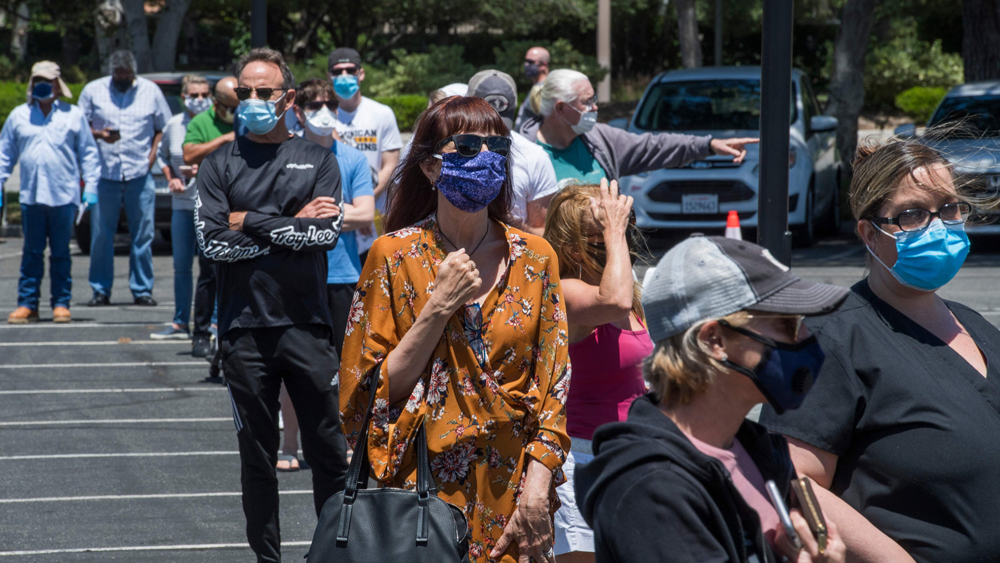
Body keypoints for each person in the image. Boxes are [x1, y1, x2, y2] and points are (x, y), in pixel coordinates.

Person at [339, 96, 570, 563]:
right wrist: (439, 306)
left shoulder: (536, 258)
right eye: (467, 147)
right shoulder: (393, 256)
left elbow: (555, 383)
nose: (485, 159)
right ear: (429, 166)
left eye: (497, 147)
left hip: (515, 493)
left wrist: (538, 488)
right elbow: (366, 395)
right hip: (421, 496)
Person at [758, 136, 1000, 562]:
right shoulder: (829, 336)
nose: (938, 225)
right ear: (869, 234)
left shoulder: (976, 327)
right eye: (912, 215)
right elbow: (792, 477)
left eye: (948, 208)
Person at [575, 234, 848, 563]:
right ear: (714, 340)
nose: (804, 338)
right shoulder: (652, 491)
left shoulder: (757, 449)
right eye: (784, 323)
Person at [195, 48, 348, 563]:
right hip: (243, 331)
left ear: (286, 98)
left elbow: (324, 233)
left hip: (308, 325)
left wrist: (247, 219)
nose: (253, 100)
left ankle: (329, 555)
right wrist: (286, 224)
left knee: (329, 455)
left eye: (264, 92)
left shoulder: (320, 160)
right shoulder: (218, 163)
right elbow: (213, 244)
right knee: (257, 459)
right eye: (244, 92)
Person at [541, 180, 650, 562]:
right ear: (572, 246)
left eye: (622, 221)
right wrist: (615, 232)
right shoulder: (569, 292)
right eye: (602, 229)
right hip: (583, 463)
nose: (619, 231)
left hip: (633, 457)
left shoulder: (628, 289)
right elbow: (614, 300)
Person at [274, 78, 375, 472]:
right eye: (313, 103)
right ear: (297, 109)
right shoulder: (285, 155)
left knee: (345, 366)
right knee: (292, 367)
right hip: (294, 274)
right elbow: (273, 216)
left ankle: (347, 443)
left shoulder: (350, 158)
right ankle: (289, 444)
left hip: (343, 276)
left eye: (328, 104)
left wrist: (312, 217)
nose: (321, 110)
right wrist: (325, 217)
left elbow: (366, 213)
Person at [521, 69, 758, 186]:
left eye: (595, 100)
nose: (595, 108)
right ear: (561, 109)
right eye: (587, 102)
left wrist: (710, 145)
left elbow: (655, 146)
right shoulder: (523, 152)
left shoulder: (600, 140)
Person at [2, 61, 100, 324]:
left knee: (60, 253)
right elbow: (5, 154)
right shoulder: (19, 115)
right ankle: (27, 304)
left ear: (58, 85)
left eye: (47, 81)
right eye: (37, 81)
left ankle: (60, 302)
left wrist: (90, 187)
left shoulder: (73, 115)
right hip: (31, 196)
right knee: (31, 253)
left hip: (63, 195)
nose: (42, 86)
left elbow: (89, 154)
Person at [78, 49, 172, 307]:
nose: (121, 78)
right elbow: (79, 126)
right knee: (100, 234)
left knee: (143, 234)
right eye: (117, 74)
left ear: (133, 72)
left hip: (139, 172)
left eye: (126, 74)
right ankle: (100, 290)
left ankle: (142, 289)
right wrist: (100, 134)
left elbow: (163, 127)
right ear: (111, 72)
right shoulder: (93, 90)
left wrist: (152, 157)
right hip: (104, 173)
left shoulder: (150, 91)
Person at [149, 74, 212, 340]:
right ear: (183, 97)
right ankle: (179, 322)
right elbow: (161, 155)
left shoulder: (216, 123)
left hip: (211, 208)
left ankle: (213, 322)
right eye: (193, 95)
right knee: (181, 266)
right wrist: (171, 177)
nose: (199, 100)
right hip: (182, 205)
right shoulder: (174, 124)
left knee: (212, 268)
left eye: (204, 95)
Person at [327, 47, 403, 263]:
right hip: (339, 215)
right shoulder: (322, 115)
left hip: (375, 219)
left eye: (350, 70)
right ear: (328, 76)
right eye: (337, 71)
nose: (343, 76)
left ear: (361, 73)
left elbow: (390, 165)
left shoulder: (381, 113)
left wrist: (366, 204)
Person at [183, 75, 238, 357]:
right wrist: (224, 139)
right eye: (230, 107)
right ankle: (200, 334)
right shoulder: (201, 123)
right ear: (217, 104)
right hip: (213, 208)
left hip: (242, 208)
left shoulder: (250, 120)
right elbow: (189, 154)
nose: (235, 112)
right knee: (209, 274)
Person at [467, 70, 558, 236]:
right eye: (484, 127)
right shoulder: (448, 151)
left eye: (501, 129)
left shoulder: (533, 157)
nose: (492, 139)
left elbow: (546, 233)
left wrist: (512, 224)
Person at [514, 46, 550, 132]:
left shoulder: (544, 89)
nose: (526, 65)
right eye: (526, 61)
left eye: (530, 62)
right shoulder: (536, 86)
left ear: (544, 65)